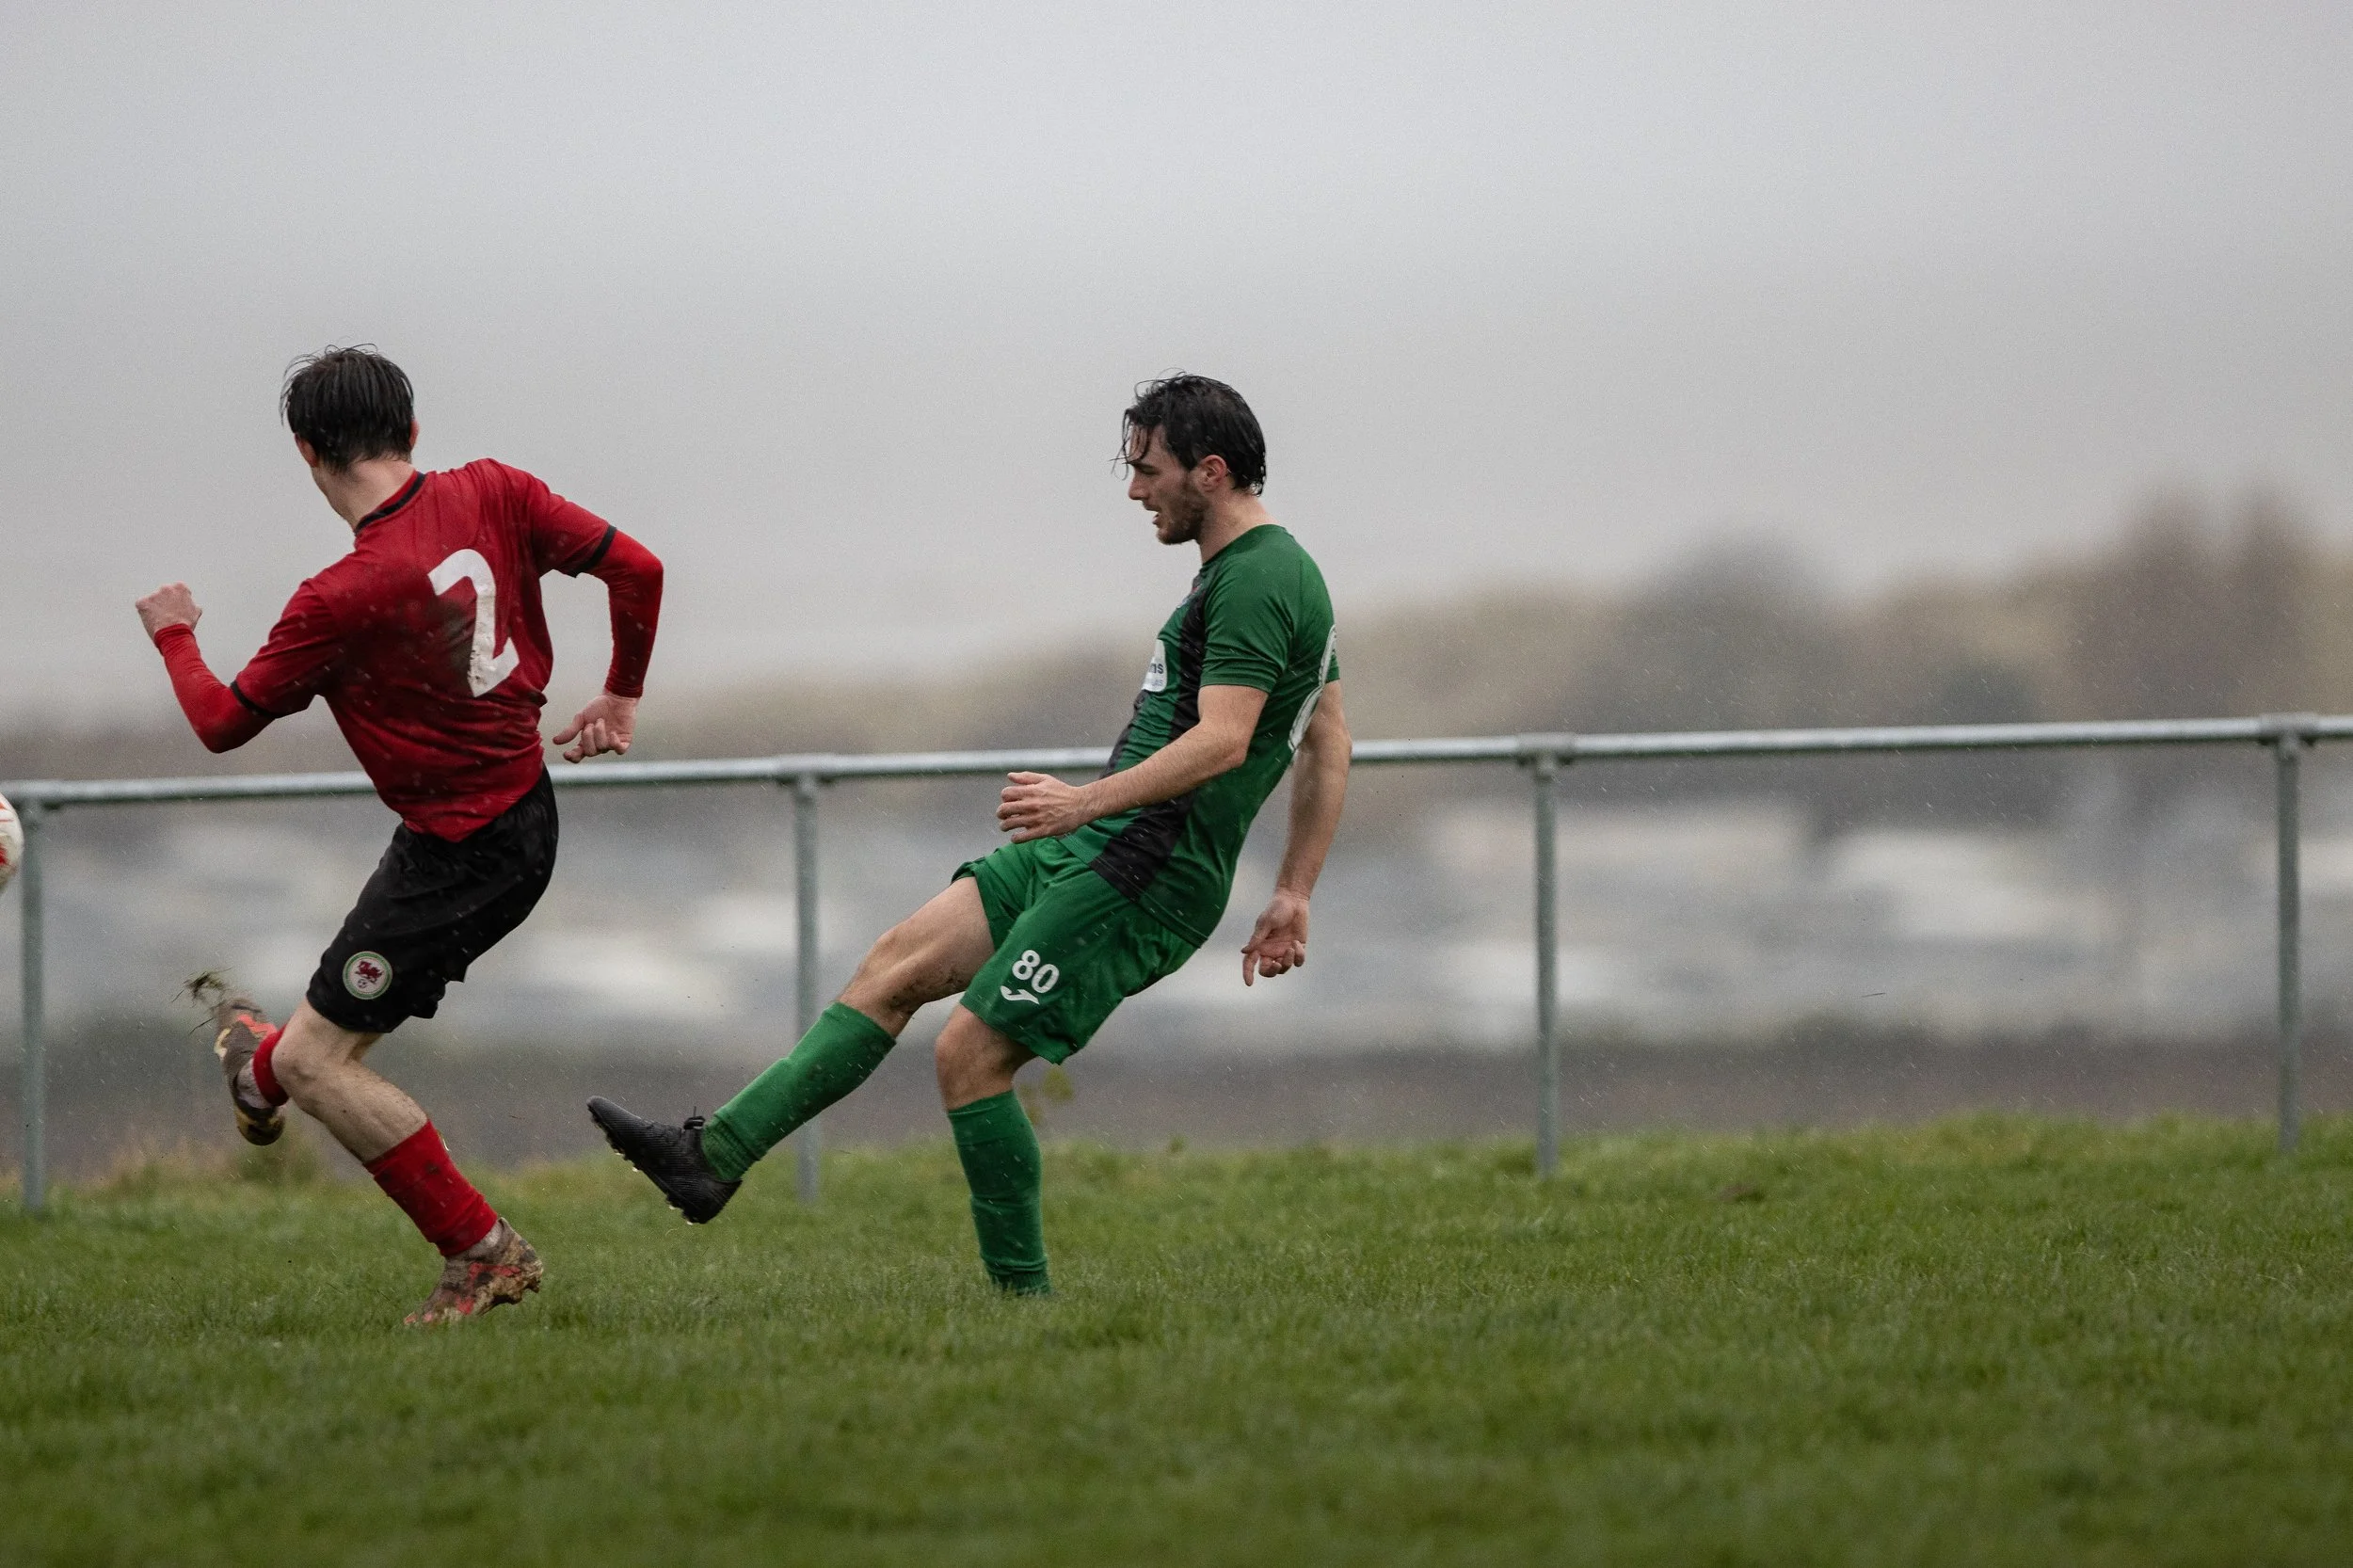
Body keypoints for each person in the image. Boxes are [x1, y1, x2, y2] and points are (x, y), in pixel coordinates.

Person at [590, 373, 1348, 1295]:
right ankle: (707, 1157)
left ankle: (1022, 1314)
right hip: (1094, 845)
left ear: (1212, 471)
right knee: (897, 964)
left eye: (1148, 470)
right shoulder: (1262, 574)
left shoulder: (1265, 577)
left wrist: (1081, 804)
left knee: (969, 1058)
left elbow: (1227, 741)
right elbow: (1327, 739)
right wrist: (1294, 889)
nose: (1134, 490)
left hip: (1141, 867)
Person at [136, 345, 663, 1324]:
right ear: (411, 430)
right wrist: (622, 692)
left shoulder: (339, 597)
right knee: (310, 1046)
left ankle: (483, 1252)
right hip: (508, 818)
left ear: (305, 453)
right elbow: (638, 567)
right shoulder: (495, 489)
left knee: (315, 1064)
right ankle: (257, 1070)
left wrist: (174, 634)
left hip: (468, 852)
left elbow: (219, 722)